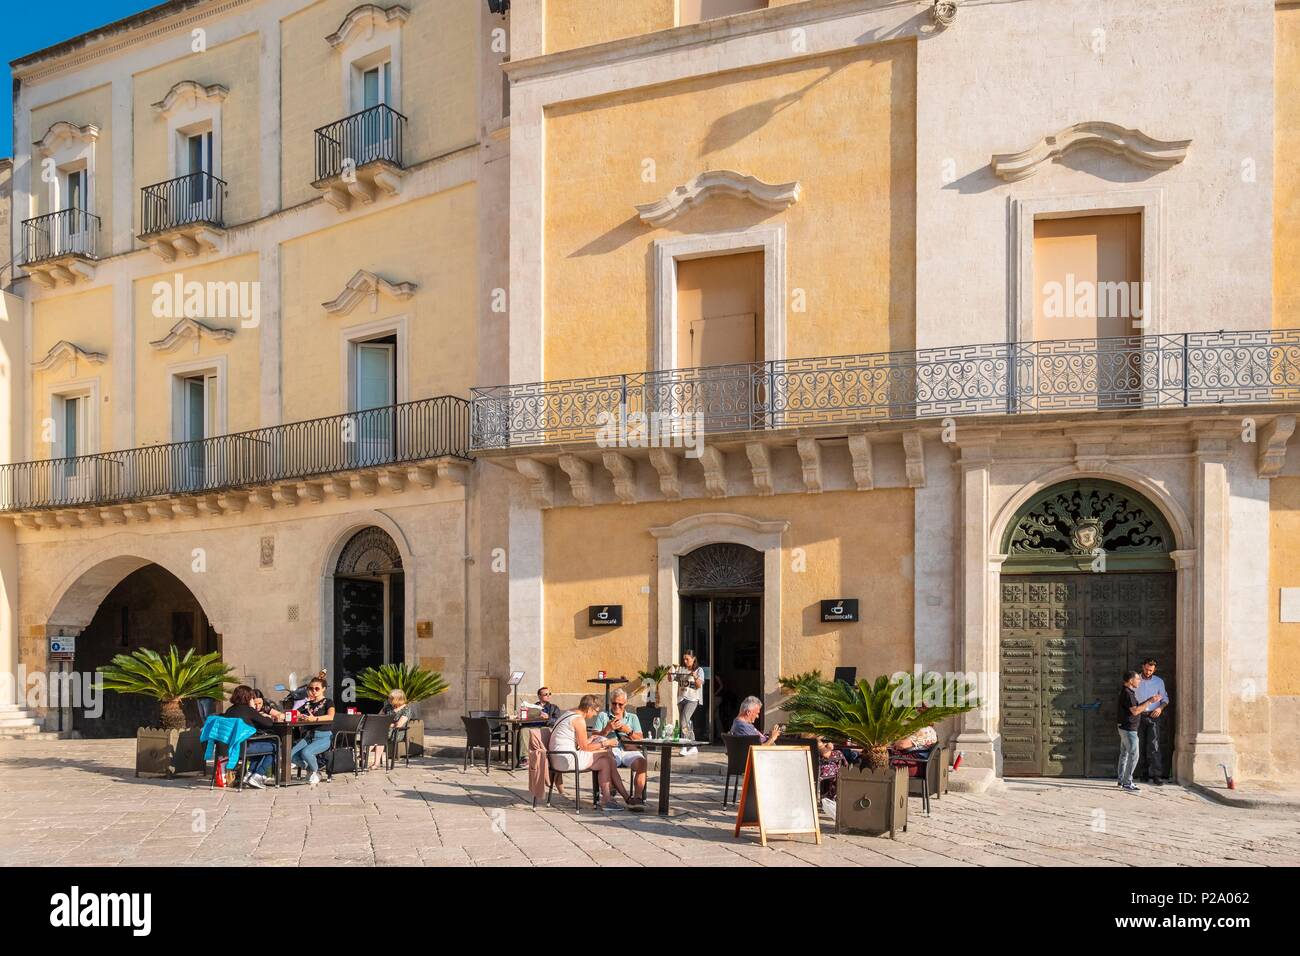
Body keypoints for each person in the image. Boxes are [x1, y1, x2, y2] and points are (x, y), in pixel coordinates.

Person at [547, 694, 642, 812]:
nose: (595, 714)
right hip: (567, 759)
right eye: (595, 711)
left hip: (558, 757)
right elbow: (585, 748)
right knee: (607, 754)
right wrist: (605, 743)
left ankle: (609, 799)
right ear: (589, 708)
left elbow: (574, 742)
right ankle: (621, 798)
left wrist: (591, 739)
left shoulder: (569, 713)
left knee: (605, 761)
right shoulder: (579, 720)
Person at [593, 688, 648, 805]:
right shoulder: (603, 716)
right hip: (611, 749)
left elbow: (640, 740)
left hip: (629, 749)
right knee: (609, 762)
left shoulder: (633, 718)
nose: (617, 706)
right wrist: (607, 729)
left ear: (625, 704)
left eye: (620, 704)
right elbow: (593, 737)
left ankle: (637, 798)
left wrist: (628, 731)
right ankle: (617, 793)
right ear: (611, 702)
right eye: (614, 703)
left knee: (642, 763)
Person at [224, 685, 281, 789]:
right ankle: (258, 775)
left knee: (262, 747)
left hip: (232, 748)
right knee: (276, 745)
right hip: (245, 747)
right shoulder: (248, 710)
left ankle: (249, 775)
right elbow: (268, 724)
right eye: (251, 697)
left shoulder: (229, 710)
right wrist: (267, 716)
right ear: (247, 698)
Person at [1118, 670, 1164, 792]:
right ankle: (1127, 782)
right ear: (1131, 680)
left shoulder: (1127, 692)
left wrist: (1150, 700)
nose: (1139, 681)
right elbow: (1135, 711)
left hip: (1125, 727)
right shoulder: (1128, 694)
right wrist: (1150, 701)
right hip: (1129, 729)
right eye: (1137, 679)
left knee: (1125, 754)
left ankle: (1121, 779)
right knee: (1134, 755)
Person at [290, 677, 335, 787]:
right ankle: (313, 770)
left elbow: (330, 716)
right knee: (290, 755)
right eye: (311, 688)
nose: (314, 691)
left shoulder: (328, 702)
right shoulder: (308, 704)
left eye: (317, 688)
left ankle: (315, 772)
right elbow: (294, 713)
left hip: (324, 736)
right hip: (309, 737)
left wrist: (314, 719)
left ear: (323, 689)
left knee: (306, 752)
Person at [1135, 658, 1170, 785]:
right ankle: (1143, 774)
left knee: (1154, 746)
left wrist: (1160, 709)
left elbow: (1165, 698)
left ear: (1154, 670)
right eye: (1146, 669)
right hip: (1138, 715)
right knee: (1139, 745)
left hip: (1154, 716)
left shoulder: (1158, 681)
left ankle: (1156, 775)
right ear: (1142, 666)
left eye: (1151, 670)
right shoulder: (1136, 679)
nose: (1148, 672)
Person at [367, 689, 410, 770]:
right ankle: (374, 763)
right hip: (383, 731)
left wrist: (387, 724)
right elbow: (378, 717)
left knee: (378, 737)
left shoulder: (406, 709)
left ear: (398, 698)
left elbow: (398, 724)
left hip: (396, 732)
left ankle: (365, 754)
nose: (389, 699)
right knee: (377, 736)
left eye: (391, 698)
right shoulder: (388, 707)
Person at [674, 650, 705, 755]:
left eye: (687, 659)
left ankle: (684, 746)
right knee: (686, 723)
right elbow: (672, 679)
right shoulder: (681, 669)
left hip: (692, 699)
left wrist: (694, 676)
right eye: (684, 659)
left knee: (683, 722)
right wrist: (671, 672)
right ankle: (694, 745)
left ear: (693, 659)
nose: (685, 661)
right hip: (681, 698)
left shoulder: (699, 670)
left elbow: (699, 684)